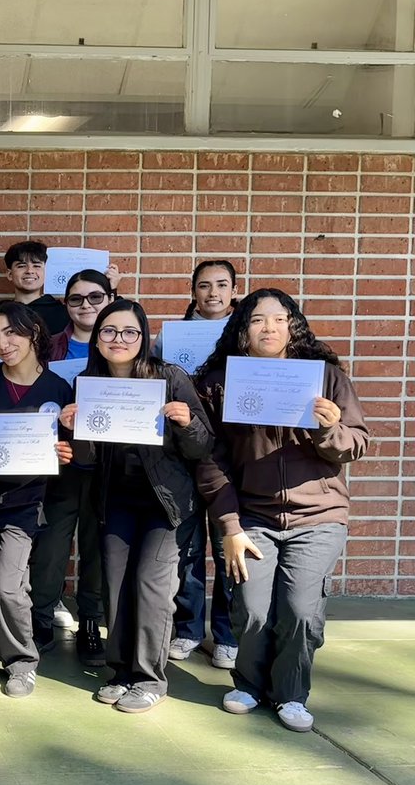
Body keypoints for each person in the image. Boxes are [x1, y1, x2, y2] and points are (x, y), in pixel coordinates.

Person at [195, 289, 368, 733]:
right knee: (251, 609)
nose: (268, 328)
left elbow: (357, 444)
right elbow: (212, 461)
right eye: (256, 320)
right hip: (252, 516)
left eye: (278, 318)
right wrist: (229, 525)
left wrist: (329, 429)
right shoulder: (220, 381)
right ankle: (249, 685)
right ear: (242, 328)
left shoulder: (326, 377)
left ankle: (291, 693)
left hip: (319, 516)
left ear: (293, 324)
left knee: (300, 610)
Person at [59, 299, 212, 714]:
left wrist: (186, 421)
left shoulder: (170, 378)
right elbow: (87, 460)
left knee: (150, 585)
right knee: (116, 584)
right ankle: (121, 670)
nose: (119, 339)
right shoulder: (88, 382)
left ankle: (149, 678)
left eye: (129, 332)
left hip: (166, 505)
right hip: (115, 502)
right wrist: (75, 429)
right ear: (98, 338)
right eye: (109, 331)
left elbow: (203, 446)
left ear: (143, 338)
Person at [0, 303, 73, 698]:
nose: (3, 344)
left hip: (24, 504)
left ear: (33, 333)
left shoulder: (58, 390)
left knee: (9, 586)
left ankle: (22, 661)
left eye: (11, 334)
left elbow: (71, 450)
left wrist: (63, 454)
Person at [154, 260, 240, 669]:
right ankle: (188, 629)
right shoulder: (169, 338)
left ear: (235, 290)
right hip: (184, 451)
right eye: (204, 286)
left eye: (221, 285)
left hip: (231, 454)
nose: (212, 293)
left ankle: (227, 634)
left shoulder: (248, 335)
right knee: (186, 547)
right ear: (193, 292)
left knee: (229, 545)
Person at [30, 269, 115, 664]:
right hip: (58, 462)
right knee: (50, 547)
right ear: (65, 304)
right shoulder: (48, 347)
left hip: (107, 467)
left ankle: (90, 623)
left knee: (97, 549)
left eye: (95, 297)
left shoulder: (122, 345)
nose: (87, 306)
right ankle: (41, 618)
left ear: (110, 299)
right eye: (77, 299)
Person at [4, 241, 122, 336]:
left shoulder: (65, 312)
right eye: (21, 266)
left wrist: (111, 289)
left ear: (47, 271)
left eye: (37, 266)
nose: (30, 271)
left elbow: (111, 319)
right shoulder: (1, 311)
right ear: (9, 274)